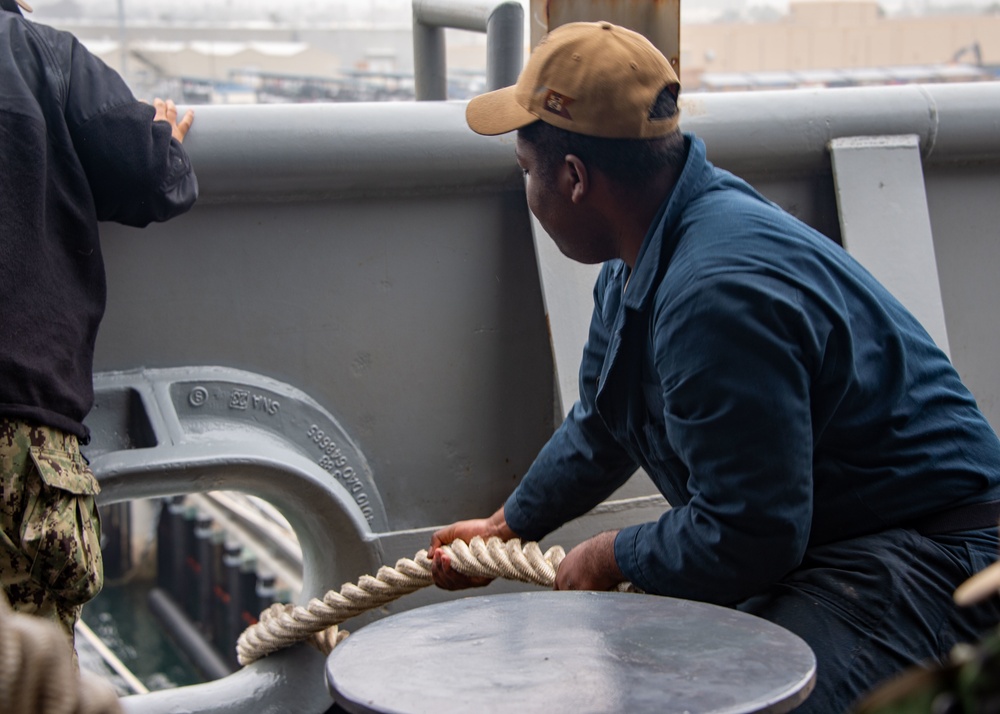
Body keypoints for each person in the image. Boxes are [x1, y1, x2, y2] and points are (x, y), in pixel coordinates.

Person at [428, 20, 1000, 713]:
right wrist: (506, 527)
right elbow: (604, 426)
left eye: (526, 171)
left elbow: (752, 531)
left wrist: (612, 554)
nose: (530, 190)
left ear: (575, 178)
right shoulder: (651, 248)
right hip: (843, 542)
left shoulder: (713, 293)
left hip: (936, 558)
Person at [0, 0, 199, 659]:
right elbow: (150, 177)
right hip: (21, 433)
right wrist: (161, 137)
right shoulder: (42, 56)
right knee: (28, 677)